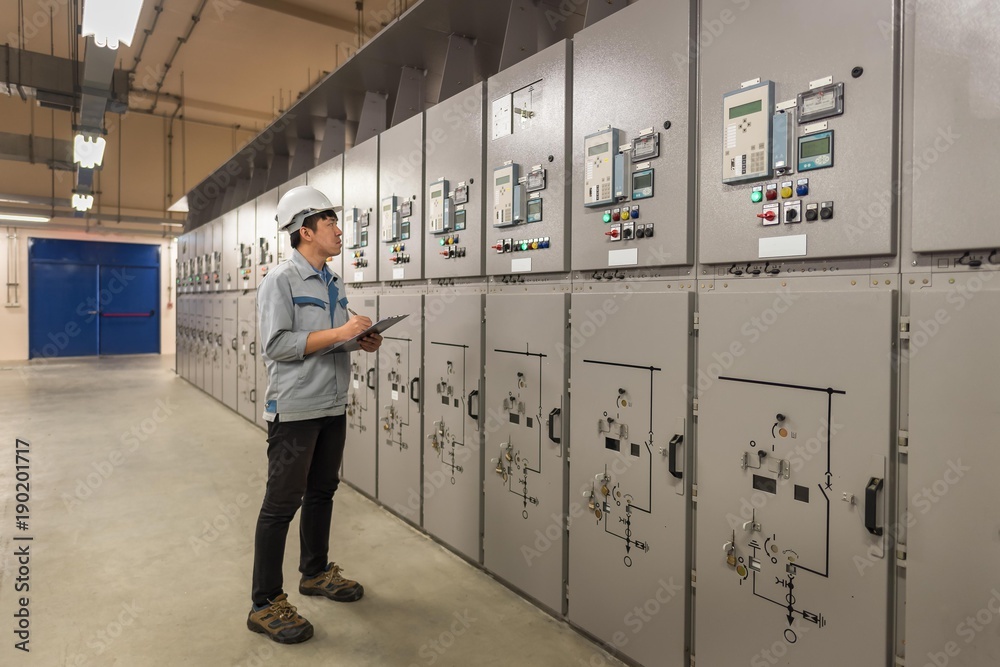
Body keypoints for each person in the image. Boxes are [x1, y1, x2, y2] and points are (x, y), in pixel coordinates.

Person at [247, 186, 382, 644]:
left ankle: (315, 572)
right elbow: (276, 345)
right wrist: (340, 331)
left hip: (331, 403)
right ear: (306, 231)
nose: (340, 230)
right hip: (296, 408)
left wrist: (358, 339)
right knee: (281, 504)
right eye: (331, 224)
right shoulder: (280, 280)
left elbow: (328, 339)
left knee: (323, 490)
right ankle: (265, 603)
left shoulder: (332, 280)